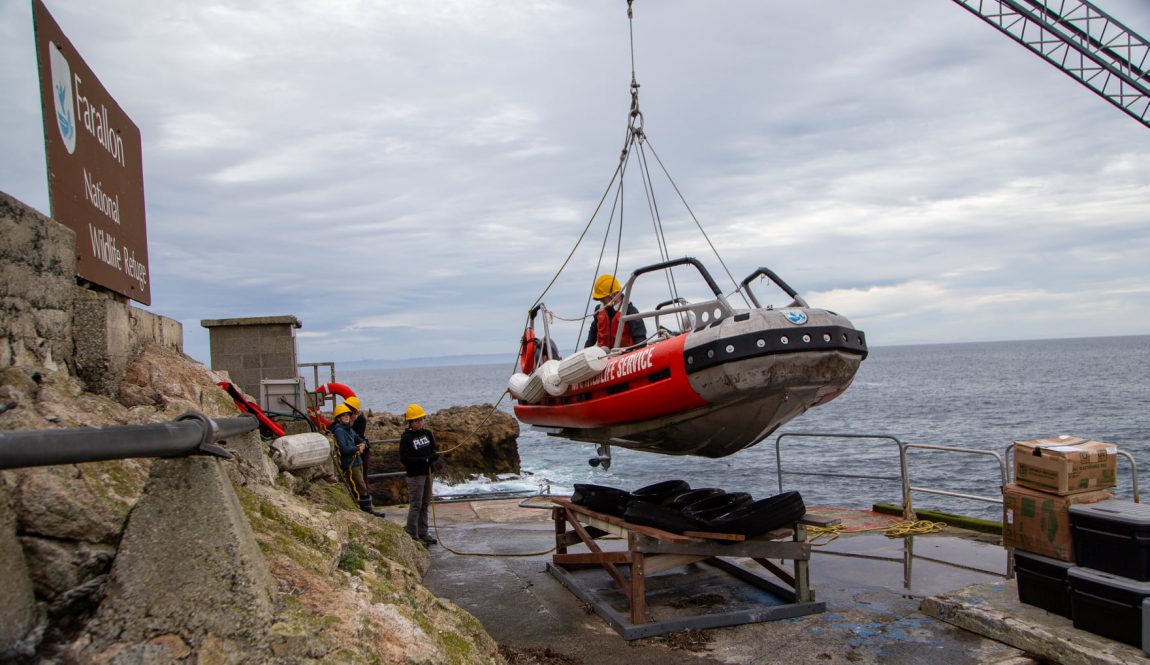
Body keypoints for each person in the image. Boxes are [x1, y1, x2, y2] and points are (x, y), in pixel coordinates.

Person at [331, 403, 385, 517]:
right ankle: (366, 511)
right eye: (343, 415)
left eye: (347, 415)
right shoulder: (339, 431)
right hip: (350, 464)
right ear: (338, 418)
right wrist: (357, 448)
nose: (346, 417)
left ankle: (365, 510)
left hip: (357, 461)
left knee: (360, 486)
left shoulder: (348, 429)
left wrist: (363, 444)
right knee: (360, 487)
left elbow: (359, 438)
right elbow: (344, 449)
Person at [399, 403, 439, 546]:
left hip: (428, 473)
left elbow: (434, 449)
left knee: (425, 504)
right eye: (419, 420)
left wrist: (433, 457)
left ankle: (423, 531)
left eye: (423, 419)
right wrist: (423, 460)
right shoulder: (407, 438)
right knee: (416, 504)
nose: (422, 422)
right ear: (412, 422)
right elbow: (404, 458)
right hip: (415, 475)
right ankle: (412, 532)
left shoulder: (427, 433)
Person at [584, 273, 647, 349]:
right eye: (599, 299)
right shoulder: (598, 311)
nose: (601, 301)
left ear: (614, 294)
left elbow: (640, 339)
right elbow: (591, 337)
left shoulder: (630, 311)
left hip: (625, 355)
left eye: (603, 298)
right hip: (604, 356)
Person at [344, 395, 370, 472]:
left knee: (362, 477)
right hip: (352, 453)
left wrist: (351, 423)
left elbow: (357, 436)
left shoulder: (360, 420)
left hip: (361, 453)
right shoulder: (346, 421)